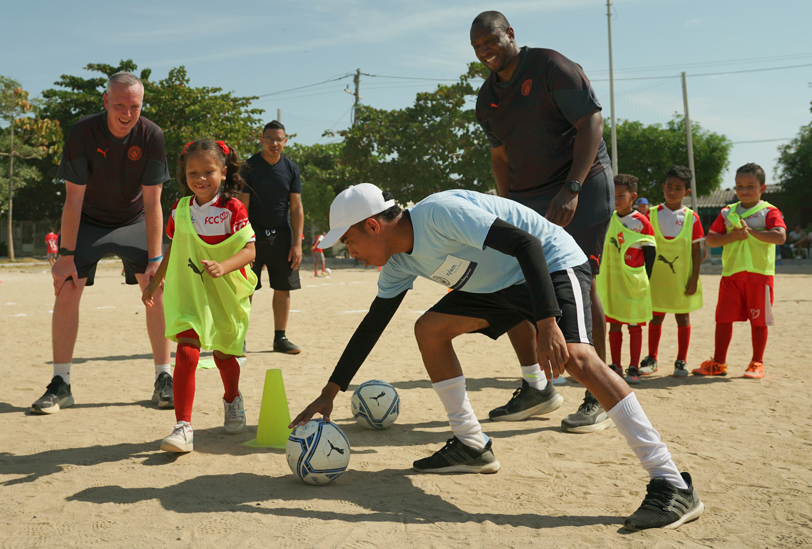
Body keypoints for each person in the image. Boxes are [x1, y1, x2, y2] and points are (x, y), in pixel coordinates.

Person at [291, 184, 703, 531]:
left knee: (577, 358)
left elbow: (527, 244)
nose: (349, 252)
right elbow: (371, 325)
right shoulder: (398, 264)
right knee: (429, 329)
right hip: (498, 286)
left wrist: (546, 323)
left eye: (349, 242)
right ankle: (472, 445)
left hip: (551, 263)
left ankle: (671, 482)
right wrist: (330, 392)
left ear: (372, 225)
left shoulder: (438, 213)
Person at [471, 11, 616, 432]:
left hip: (581, 185)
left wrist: (571, 188)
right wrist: (507, 207)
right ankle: (539, 387)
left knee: (580, 280)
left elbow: (591, 120)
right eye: (478, 47)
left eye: (491, 41)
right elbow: (500, 156)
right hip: (528, 198)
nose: (485, 51)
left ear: (510, 34)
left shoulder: (551, 66)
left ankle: (600, 393)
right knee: (520, 283)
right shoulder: (487, 99)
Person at [31, 72, 173, 414]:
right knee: (67, 286)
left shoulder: (151, 135)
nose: (127, 113)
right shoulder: (82, 132)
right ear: (105, 101)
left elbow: (154, 203)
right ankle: (60, 383)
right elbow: (73, 200)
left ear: (142, 105)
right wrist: (65, 256)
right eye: (120, 104)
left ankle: (164, 378)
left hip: (134, 220)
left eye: (135, 106)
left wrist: (156, 258)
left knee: (156, 288)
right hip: (88, 222)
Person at [142, 139, 256, 453]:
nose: (200, 177)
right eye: (193, 172)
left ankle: (232, 399)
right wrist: (155, 282)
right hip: (190, 290)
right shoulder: (180, 210)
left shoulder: (232, 208)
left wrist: (224, 265)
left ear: (224, 171)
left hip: (226, 292)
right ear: (184, 175)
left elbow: (250, 251)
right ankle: (183, 426)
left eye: (208, 171)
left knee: (224, 355)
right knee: (188, 349)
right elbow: (174, 250)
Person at [695, 163, 786, 379]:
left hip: (759, 275)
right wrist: (732, 236)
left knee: (760, 320)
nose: (744, 190)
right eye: (739, 186)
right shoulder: (728, 212)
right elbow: (711, 240)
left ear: (762, 188)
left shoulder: (769, 211)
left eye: (750, 186)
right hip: (731, 274)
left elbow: (780, 236)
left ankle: (757, 363)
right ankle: (718, 363)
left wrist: (751, 231)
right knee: (723, 319)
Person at [240, 121, 304, 354]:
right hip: (252, 237)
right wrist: (243, 242)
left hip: (282, 237)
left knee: (283, 287)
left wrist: (297, 244)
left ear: (285, 141)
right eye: (270, 139)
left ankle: (280, 338)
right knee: (245, 289)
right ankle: (240, 338)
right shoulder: (248, 167)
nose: (274, 144)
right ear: (262, 139)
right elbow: (242, 207)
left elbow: (296, 207)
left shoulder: (291, 168)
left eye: (279, 139)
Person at [643, 166, 704, 377]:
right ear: (663, 187)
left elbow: (697, 252)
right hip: (656, 279)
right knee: (656, 317)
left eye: (678, 188)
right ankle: (652, 358)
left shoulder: (692, 218)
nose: (672, 191)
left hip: (681, 279)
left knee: (683, 318)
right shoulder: (650, 214)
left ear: (686, 192)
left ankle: (681, 361)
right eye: (669, 186)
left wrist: (694, 278)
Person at [597, 174, 656, 386]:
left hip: (633, 283)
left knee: (634, 325)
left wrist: (644, 279)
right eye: (613, 194)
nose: (616, 199)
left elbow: (650, 253)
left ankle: (633, 367)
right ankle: (615, 365)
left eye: (621, 195)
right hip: (612, 281)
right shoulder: (607, 218)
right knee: (613, 323)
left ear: (633, 197)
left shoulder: (641, 222)